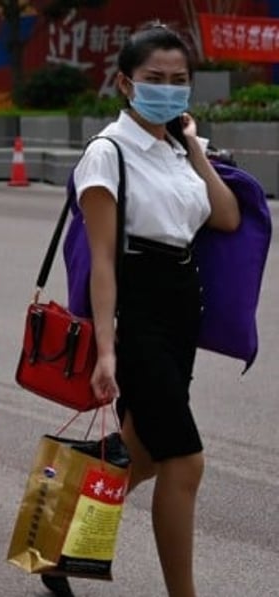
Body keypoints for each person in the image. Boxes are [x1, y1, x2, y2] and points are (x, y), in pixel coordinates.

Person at [44, 25, 240, 597]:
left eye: (180, 81)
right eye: (155, 80)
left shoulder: (179, 148)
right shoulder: (108, 153)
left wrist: (196, 148)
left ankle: (56, 542)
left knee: (145, 452)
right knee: (185, 460)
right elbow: (102, 262)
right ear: (126, 84)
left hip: (181, 303)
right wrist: (106, 349)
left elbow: (225, 216)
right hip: (135, 308)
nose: (169, 90)